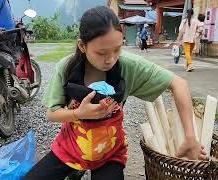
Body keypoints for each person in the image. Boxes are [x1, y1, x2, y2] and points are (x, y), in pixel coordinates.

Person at [24, 6, 206, 180]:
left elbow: (179, 84)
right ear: (82, 46)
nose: (110, 59)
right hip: (72, 147)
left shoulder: (128, 65)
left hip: (109, 151)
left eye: (117, 49)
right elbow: (51, 114)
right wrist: (78, 113)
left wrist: (190, 137)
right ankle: (75, 169)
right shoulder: (66, 67)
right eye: (101, 53)